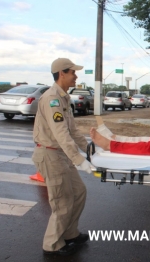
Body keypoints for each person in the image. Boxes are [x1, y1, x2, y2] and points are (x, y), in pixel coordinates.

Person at [32, 58, 94, 256]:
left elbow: (73, 131)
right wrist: (79, 160)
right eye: (73, 72)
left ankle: (70, 233)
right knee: (62, 201)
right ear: (62, 73)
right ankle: (52, 245)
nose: (76, 76)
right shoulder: (51, 99)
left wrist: (90, 151)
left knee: (79, 192)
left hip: (61, 155)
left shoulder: (64, 98)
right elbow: (61, 134)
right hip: (50, 155)